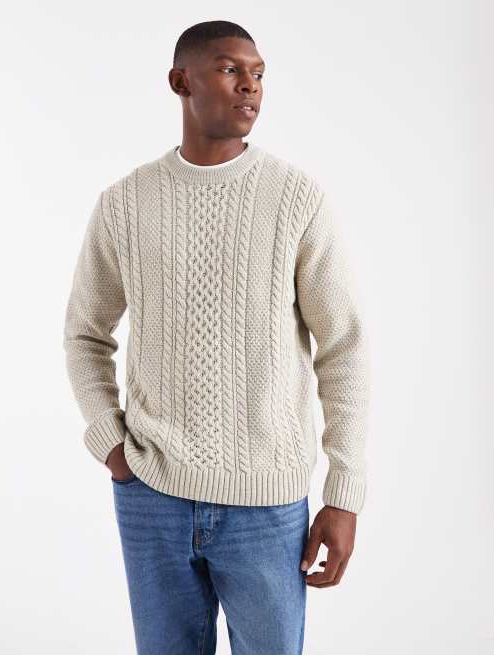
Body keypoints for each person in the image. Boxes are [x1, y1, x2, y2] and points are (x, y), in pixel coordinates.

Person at [63, 19, 370, 655]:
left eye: (258, 74)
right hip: (151, 497)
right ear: (181, 81)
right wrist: (111, 443)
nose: (249, 86)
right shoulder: (125, 203)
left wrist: (343, 493)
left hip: (267, 504)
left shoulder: (296, 199)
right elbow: (85, 333)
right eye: (230, 70)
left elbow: (344, 346)